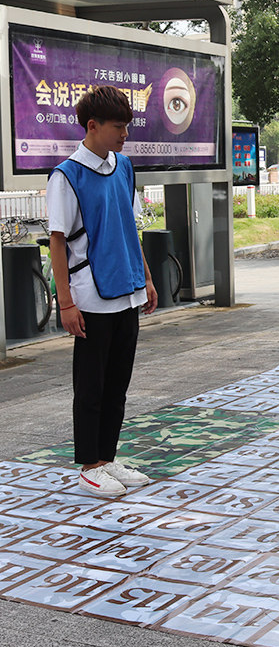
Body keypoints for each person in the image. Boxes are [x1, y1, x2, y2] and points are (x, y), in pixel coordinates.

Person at [47, 85, 158, 497]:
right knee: (90, 386)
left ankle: (108, 458)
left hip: (127, 289)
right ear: (92, 126)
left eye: (126, 126)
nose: (124, 134)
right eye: (117, 127)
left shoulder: (124, 166)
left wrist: (145, 278)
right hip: (90, 296)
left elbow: (132, 227)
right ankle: (89, 464)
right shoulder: (66, 176)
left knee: (118, 383)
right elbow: (58, 241)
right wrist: (66, 302)